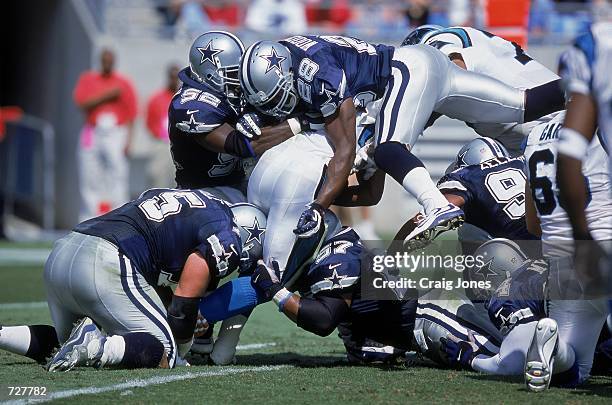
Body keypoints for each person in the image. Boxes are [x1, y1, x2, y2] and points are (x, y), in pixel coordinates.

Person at [239, 35, 564, 252]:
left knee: (388, 148)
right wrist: (321, 193)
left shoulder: (317, 74)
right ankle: (590, 85)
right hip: (429, 74)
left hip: (410, 67)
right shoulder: (305, 71)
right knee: (527, 104)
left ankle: (435, 204)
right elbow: (371, 193)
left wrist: (317, 207)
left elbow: (344, 151)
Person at [0, 189, 266, 371]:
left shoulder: (195, 202)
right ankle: (96, 347)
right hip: (105, 260)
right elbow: (185, 299)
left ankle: (2, 334)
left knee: (65, 342)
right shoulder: (227, 233)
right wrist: (182, 343)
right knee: (165, 349)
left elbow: (154, 272)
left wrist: (171, 309)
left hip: (64, 250)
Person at [402, 25, 562, 155]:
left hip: (543, 120)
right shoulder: (479, 49)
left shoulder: (437, 41)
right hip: (535, 129)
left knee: (466, 171)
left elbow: (454, 69)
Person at [73, 48, 138, 221]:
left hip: (116, 131)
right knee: (89, 173)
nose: (107, 63)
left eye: (110, 60)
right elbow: (81, 103)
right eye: (104, 60)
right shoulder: (88, 79)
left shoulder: (123, 82)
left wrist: (129, 141)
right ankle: (89, 217)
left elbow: (132, 114)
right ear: (100, 61)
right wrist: (107, 96)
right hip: (93, 129)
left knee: (117, 173)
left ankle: (118, 216)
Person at [146, 64, 180, 188]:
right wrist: (158, 134)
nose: (174, 80)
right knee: (157, 176)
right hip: (161, 143)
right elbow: (149, 121)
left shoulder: (182, 98)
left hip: (178, 143)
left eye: (176, 77)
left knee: (176, 177)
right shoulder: (157, 98)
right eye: (172, 77)